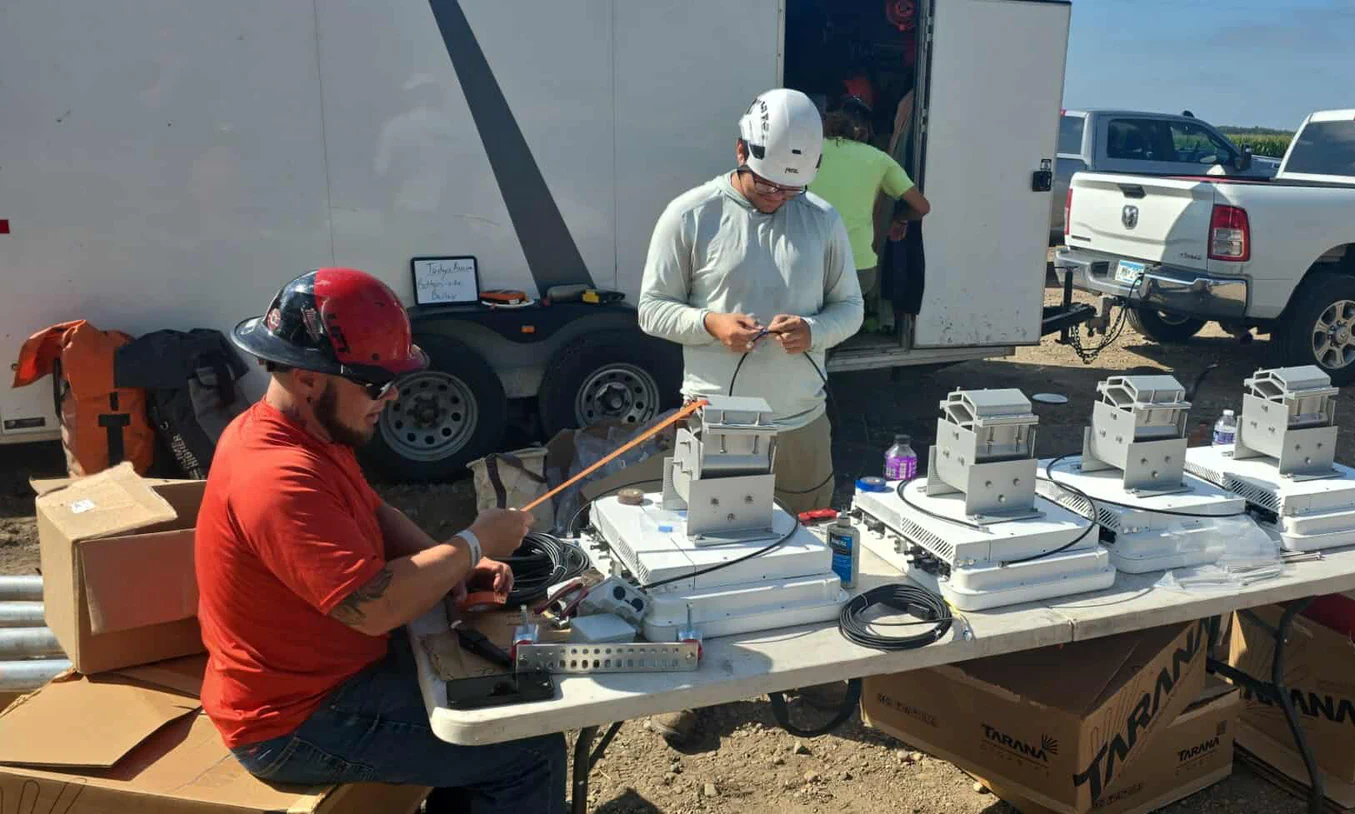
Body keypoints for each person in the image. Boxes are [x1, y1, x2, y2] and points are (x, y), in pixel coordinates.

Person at [195, 268, 566, 814]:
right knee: (528, 747)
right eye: (375, 385)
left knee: (504, 708)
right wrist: (470, 543)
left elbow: (375, 511)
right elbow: (372, 607)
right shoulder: (274, 476)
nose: (390, 398)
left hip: (327, 675)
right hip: (294, 718)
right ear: (308, 379)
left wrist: (458, 571)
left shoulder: (309, 431)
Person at [636, 89, 862, 745]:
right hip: (713, 425)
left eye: (789, 189)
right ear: (741, 152)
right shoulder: (692, 214)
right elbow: (651, 309)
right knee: (698, 562)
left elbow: (848, 308)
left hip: (800, 424)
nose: (776, 198)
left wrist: (813, 331)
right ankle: (694, 683)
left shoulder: (821, 219)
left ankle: (806, 667)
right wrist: (710, 324)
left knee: (804, 553)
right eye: (766, 185)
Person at [806, 96, 930, 334]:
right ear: (866, 130)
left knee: (807, 331)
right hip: (858, 268)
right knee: (831, 330)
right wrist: (900, 218)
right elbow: (922, 206)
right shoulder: (879, 159)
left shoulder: (807, 152)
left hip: (807, 263)